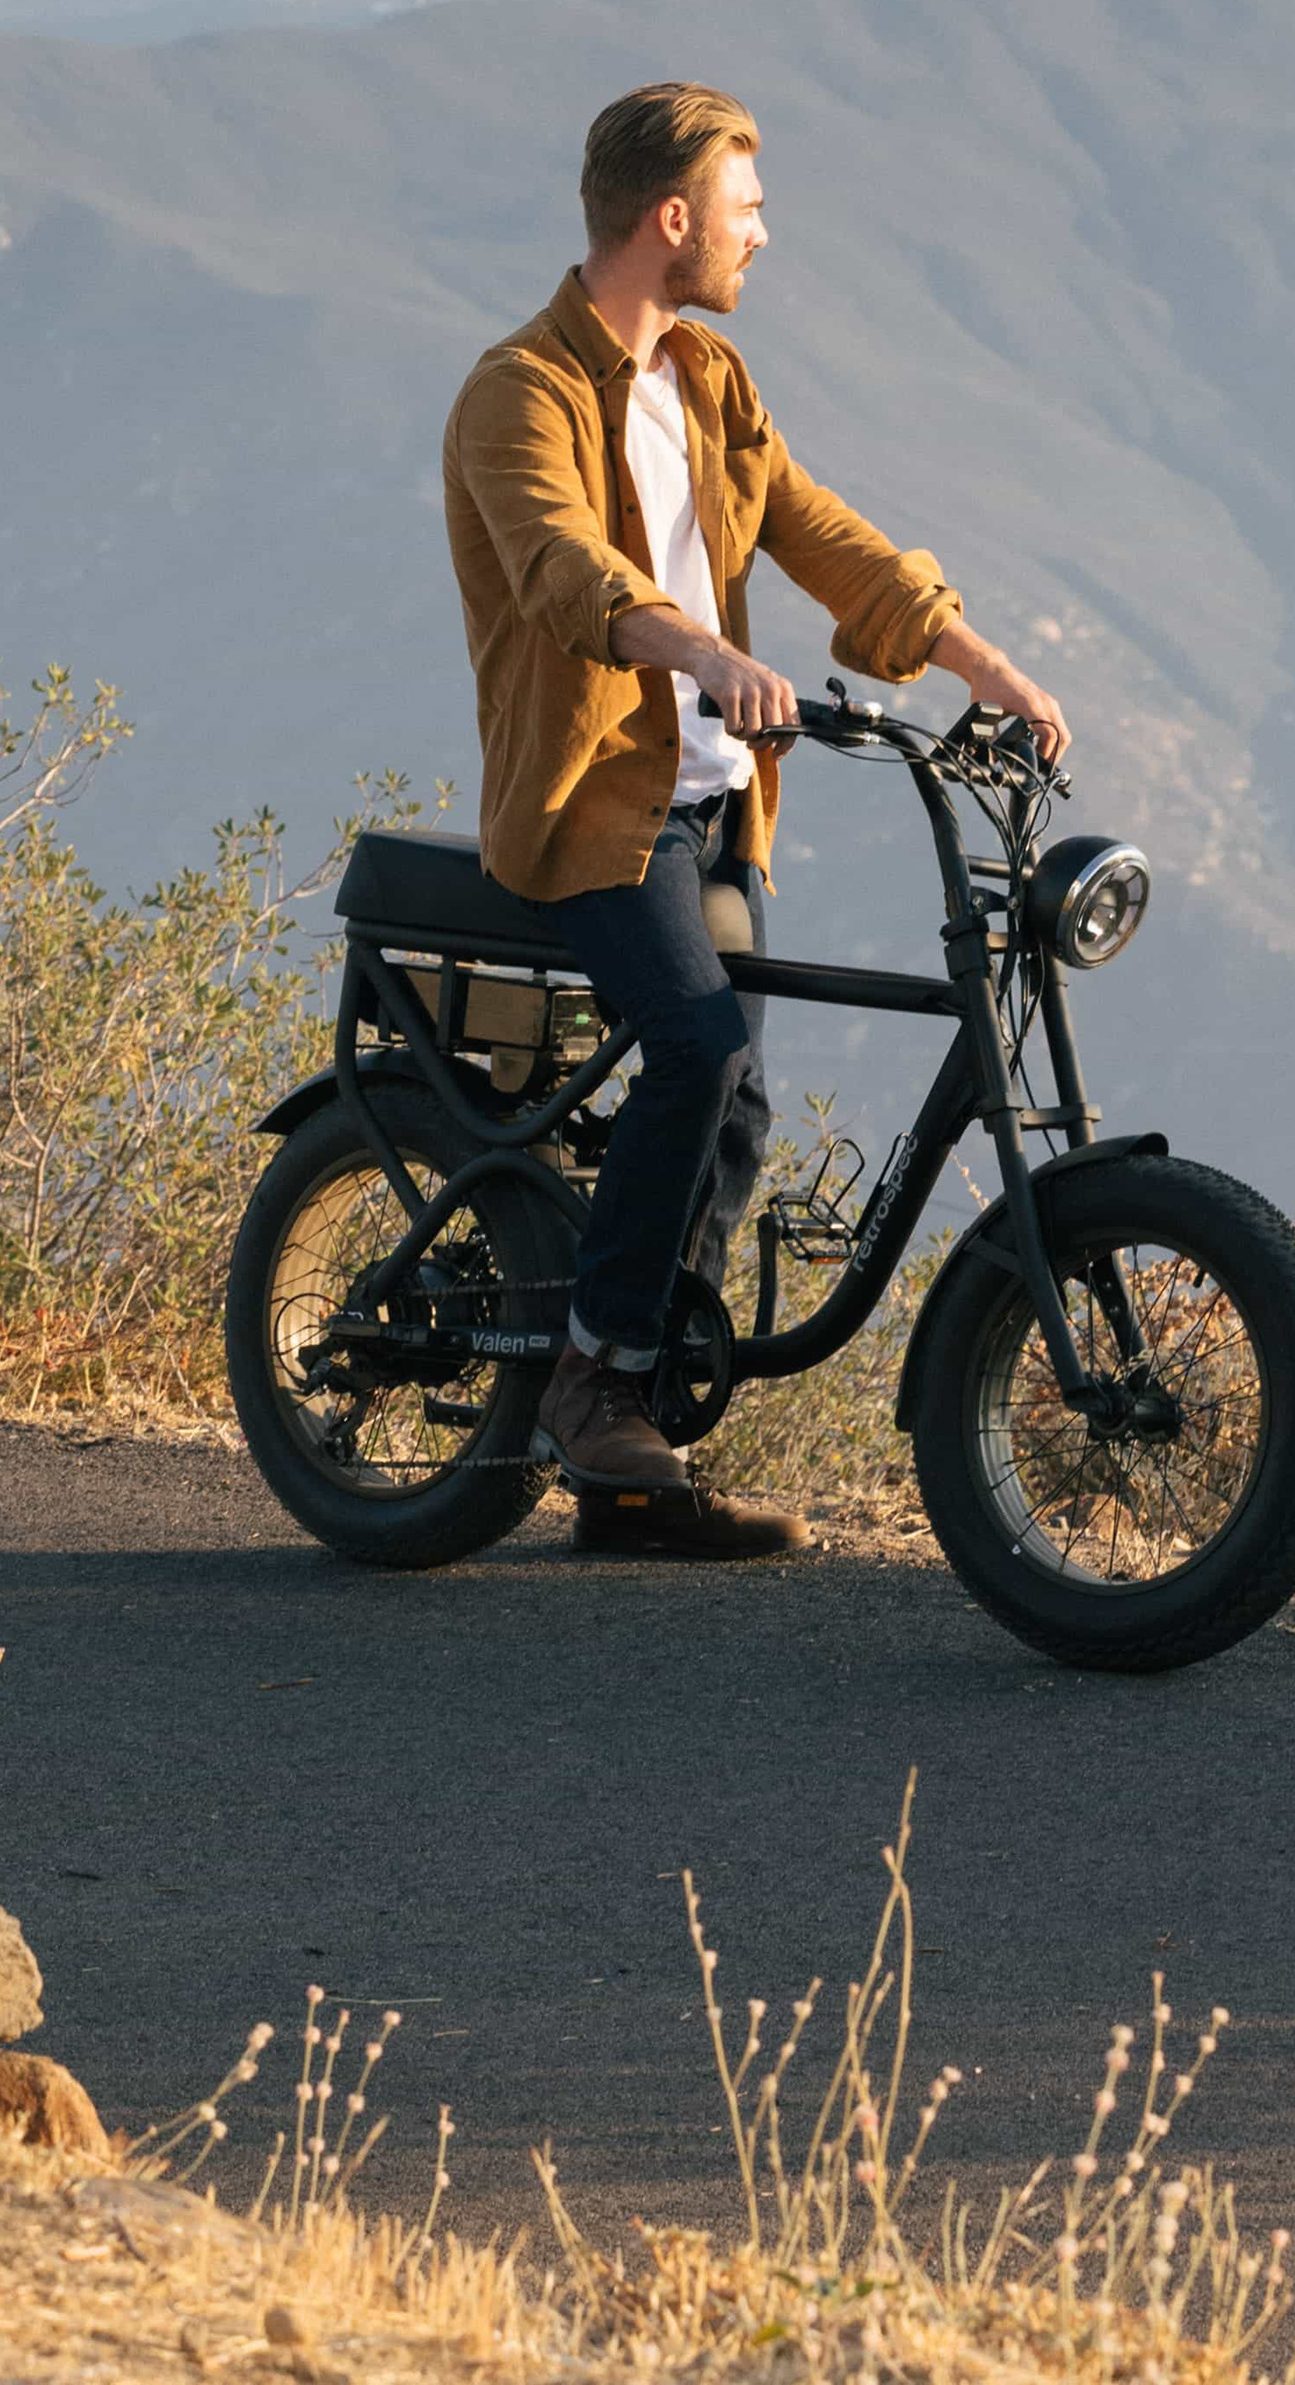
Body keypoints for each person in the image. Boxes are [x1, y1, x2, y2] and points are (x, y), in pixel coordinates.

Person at [440, 77, 1068, 1565]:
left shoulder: (710, 382)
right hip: (599, 808)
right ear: (674, 220)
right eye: (748, 207)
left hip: (721, 807)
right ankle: (592, 1380)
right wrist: (704, 652)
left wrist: (983, 664)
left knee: (737, 1114)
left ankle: (637, 1455)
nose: (764, 233)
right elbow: (564, 571)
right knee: (701, 1050)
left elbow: (817, 527)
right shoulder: (518, 392)